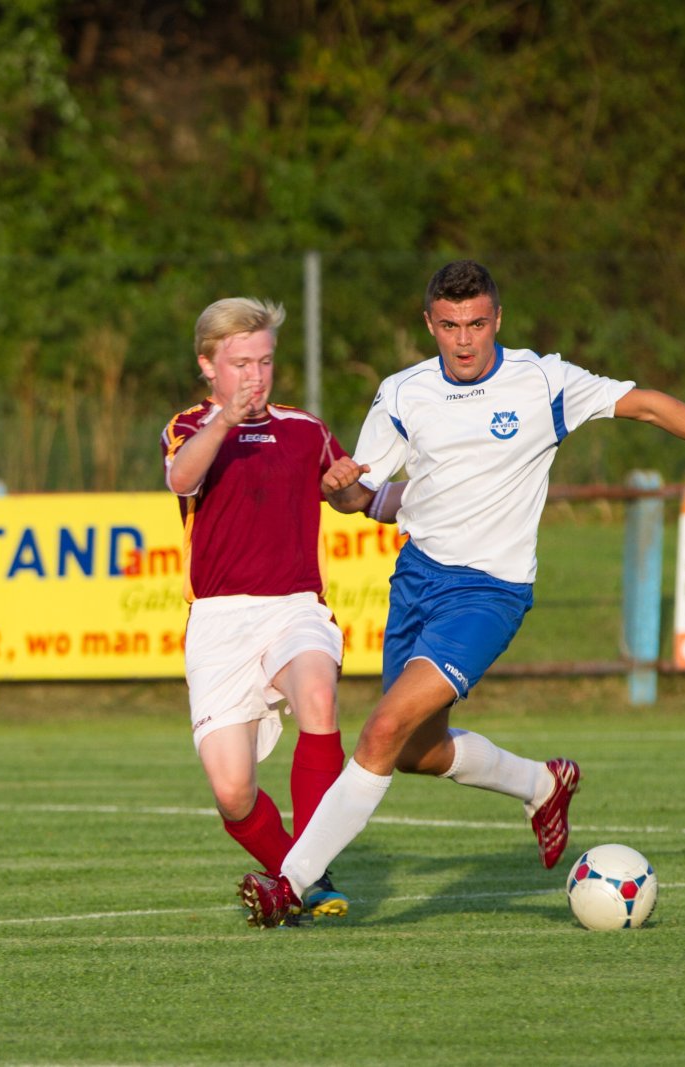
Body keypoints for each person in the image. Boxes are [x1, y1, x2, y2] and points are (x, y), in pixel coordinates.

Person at [240, 259, 685, 927]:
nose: (465, 340)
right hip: (416, 580)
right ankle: (542, 783)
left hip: (488, 593)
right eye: (450, 326)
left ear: (498, 319)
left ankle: (291, 882)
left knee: (382, 728)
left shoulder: (542, 381)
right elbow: (367, 497)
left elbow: (647, 403)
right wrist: (341, 488)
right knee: (414, 750)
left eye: (477, 324)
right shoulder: (403, 393)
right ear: (429, 325)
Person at [161, 296, 381, 922]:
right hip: (219, 622)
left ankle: (309, 865)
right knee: (233, 793)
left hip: (294, 606)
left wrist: (346, 487)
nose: (255, 377)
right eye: (240, 364)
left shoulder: (304, 428)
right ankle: (303, 879)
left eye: (264, 362)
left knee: (318, 695)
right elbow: (181, 479)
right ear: (208, 366)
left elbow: (352, 497)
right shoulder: (189, 427)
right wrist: (225, 421)